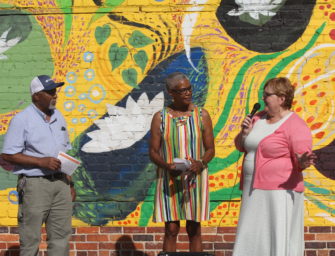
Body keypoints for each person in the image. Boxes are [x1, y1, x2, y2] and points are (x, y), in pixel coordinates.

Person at [233, 77, 317, 256]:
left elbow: (301, 160)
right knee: (252, 233)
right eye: (263, 95)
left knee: (274, 234)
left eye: (267, 95)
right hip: (251, 188)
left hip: (279, 191)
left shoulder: (296, 125)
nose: (263, 99)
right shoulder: (257, 119)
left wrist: (302, 162)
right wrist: (244, 133)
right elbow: (241, 146)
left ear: (282, 98)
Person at [1, 75, 75, 256]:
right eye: (49, 92)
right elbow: (7, 155)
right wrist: (40, 162)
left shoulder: (59, 117)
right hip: (35, 185)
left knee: (60, 239)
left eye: (55, 91)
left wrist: (70, 183)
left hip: (61, 184)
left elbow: (64, 153)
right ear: (36, 96)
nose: (54, 95)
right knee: (30, 239)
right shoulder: (22, 120)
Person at [149, 72, 215, 252]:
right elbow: (153, 151)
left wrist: (200, 163)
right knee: (171, 229)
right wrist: (166, 166)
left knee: (194, 229)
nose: (188, 93)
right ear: (171, 92)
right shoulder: (160, 117)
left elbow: (210, 149)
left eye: (189, 89)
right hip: (170, 178)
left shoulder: (201, 115)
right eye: (182, 90)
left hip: (195, 178)